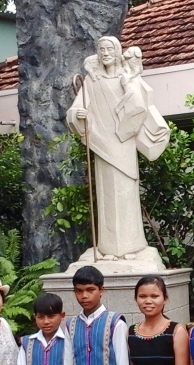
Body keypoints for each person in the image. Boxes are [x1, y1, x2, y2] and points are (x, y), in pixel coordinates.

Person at [66, 36, 170, 258]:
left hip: (124, 143)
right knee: (106, 197)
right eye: (101, 49)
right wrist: (77, 114)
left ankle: (132, 246)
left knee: (126, 194)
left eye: (109, 49)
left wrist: (127, 85)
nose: (105, 53)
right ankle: (108, 248)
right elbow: (75, 109)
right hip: (102, 144)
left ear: (117, 52)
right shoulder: (91, 81)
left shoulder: (127, 77)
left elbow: (140, 105)